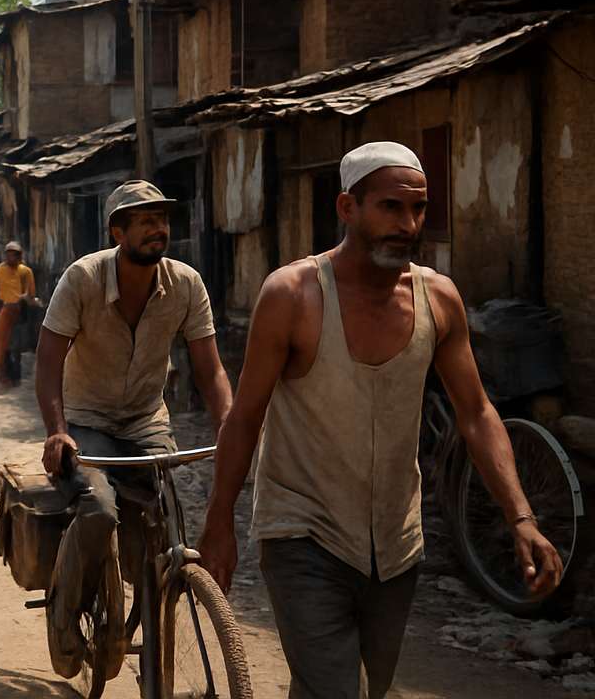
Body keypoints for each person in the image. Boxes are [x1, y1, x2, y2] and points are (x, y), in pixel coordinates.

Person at [199, 142, 564, 699]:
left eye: (417, 210)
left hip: (396, 543)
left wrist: (521, 518)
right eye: (391, 208)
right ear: (348, 208)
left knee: (365, 688)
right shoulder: (292, 295)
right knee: (333, 690)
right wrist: (220, 520)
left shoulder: (437, 299)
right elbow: (245, 416)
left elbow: (477, 412)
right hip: (302, 531)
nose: (408, 224)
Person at [34, 180, 233, 677]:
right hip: (88, 422)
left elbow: (209, 370)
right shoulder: (82, 278)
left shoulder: (186, 284)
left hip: (146, 420)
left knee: (166, 519)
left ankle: (151, 610)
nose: (158, 228)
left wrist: (230, 424)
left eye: (162, 219)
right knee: (99, 509)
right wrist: (57, 431)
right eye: (144, 220)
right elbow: (48, 362)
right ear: (117, 231)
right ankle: (64, 616)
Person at [0, 240, 37, 387]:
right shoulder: (0, 270)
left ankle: (15, 376)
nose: (11, 258)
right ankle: (2, 373)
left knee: (16, 345)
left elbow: (31, 293)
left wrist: (25, 298)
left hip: (20, 311)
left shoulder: (25, 271)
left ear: (19, 256)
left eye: (14, 255)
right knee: (2, 344)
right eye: (8, 254)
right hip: (5, 309)